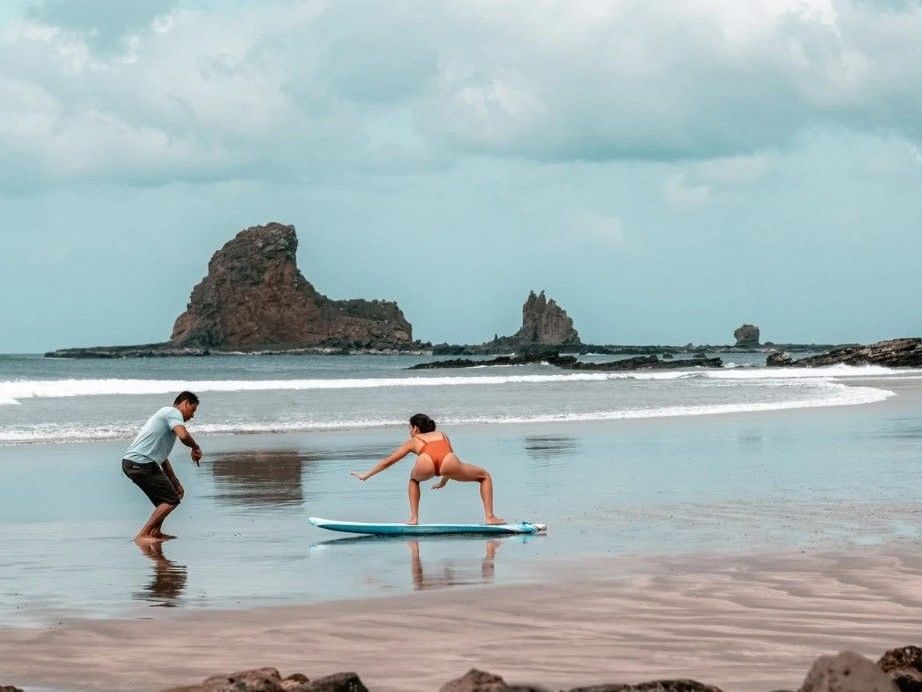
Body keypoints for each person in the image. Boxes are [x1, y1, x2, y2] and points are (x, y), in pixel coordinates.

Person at [351, 413, 505, 525]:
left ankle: (414, 518)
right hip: (449, 462)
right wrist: (444, 480)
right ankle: (490, 517)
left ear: (416, 429)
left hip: (426, 462)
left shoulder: (415, 440)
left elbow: (388, 461)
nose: (409, 431)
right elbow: (448, 459)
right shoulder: (442, 435)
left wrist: (367, 475)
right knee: (485, 476)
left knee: (413, 479)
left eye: (410, 427)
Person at [121, 391, 203, 544]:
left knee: (169, 498)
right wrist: (195, 447)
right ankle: (143, 534)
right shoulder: (172, 413)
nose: (192, 416)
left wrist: (175, 482)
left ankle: (155, 532)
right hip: (139, 463)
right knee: (171, 499)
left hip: (138, 463)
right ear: (185, 403)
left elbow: (162, 458)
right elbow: (184, 436)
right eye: (192, 410)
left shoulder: (167, 418)